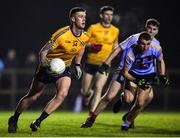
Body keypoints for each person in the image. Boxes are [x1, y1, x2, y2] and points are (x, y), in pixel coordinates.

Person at [8, 7, 89, 133]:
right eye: (80, 16)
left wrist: (77, 65)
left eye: (84, 17)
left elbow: (81, 48)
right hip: (48, 66)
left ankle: (38, 121)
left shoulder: (85, 36)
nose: (83, 19)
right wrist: (45, 63)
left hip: (64, 68)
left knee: (62, 94)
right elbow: (43, 51)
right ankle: (14, 119)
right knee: (34, 96)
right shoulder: (61, 35)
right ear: (73, 19)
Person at [80, 19, 167, 128]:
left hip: (141, 73)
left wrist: (159, 74)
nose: (151, 31)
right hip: (124, 70)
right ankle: (91, 119)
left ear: (157, 31)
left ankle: (129, 117)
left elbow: (155, 60)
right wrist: (106, 63)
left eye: (154, 29)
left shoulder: (156, 45)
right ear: (145, 28)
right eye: (149, 28)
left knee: (147, 98)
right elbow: (117, 49)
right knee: (109, 96)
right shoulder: (134, 38)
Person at [120, 32, 169, 130]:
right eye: (142, 44)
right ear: (138, 43)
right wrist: (137, 81)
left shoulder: (156, 48)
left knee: (140, 103)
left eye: (147, 44)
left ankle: (127, 122)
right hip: (133, 75)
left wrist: (163, 75)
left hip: (148, 76)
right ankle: (121, 98)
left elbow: (160, 61)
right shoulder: (131, 53)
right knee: (128, 99)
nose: (145, 47)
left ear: (150, 43)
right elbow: (125, 72)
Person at [81, 6, 119, 114]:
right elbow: (84, 43)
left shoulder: (115, 30)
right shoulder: (93, 28)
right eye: (107, 14)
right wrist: (91, 46)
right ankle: (88, 94)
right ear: (101, 15)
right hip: (91, 62)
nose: (109, 17)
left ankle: (91, 113)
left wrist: (117, 52)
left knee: (99, 88)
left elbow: (115, 44)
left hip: (105, 64)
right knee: (85, 91)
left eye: (111, 15)